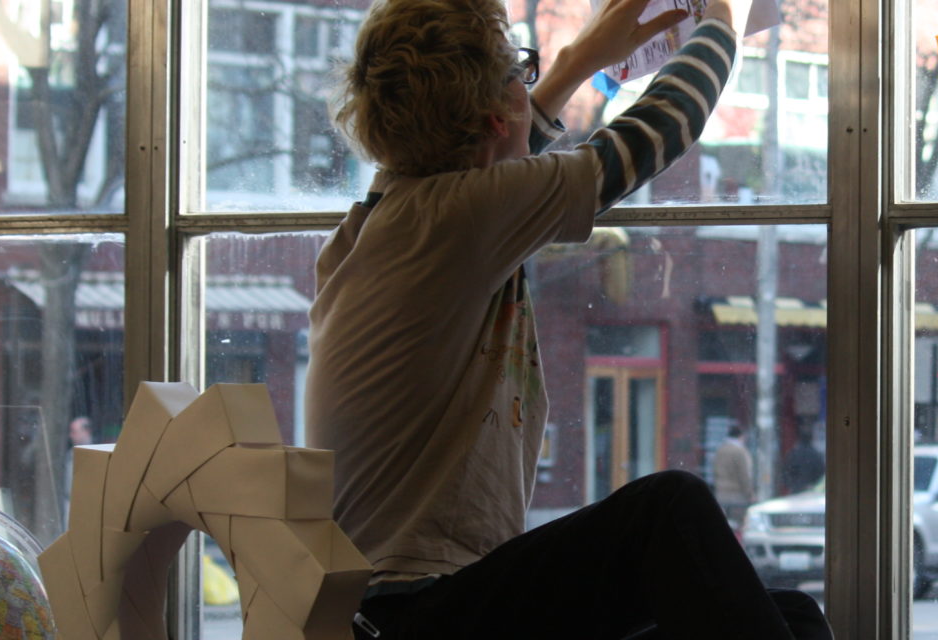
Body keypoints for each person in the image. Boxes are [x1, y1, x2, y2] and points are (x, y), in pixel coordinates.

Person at [304, 0, 829, 637]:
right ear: (498, 113)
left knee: (790, 618)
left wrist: (579, 63)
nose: (529, 88)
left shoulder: (389, 218)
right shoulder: (460, 218)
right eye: (519, 74)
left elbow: (502, 152)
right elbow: (658, 131)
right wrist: (722, 19)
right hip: (418, 613)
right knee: (668, 512)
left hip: (414, 608)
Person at [714, 424, 756, 523]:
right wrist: (750, 494)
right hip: (737, 495)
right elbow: (744, 475)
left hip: (721, 493)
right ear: (741, 436)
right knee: (737, 524)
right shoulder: (740, 451)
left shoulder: (720, 450)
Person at [783, 425, 824, 495]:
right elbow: (821, 473)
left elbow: (786, 473)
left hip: (796, 491)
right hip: (812, 491)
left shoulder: (793, 454)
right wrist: (812, 484)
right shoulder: (815, 454)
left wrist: (794, 485)